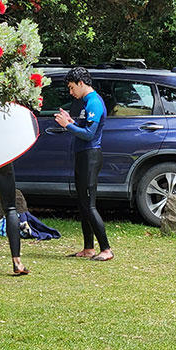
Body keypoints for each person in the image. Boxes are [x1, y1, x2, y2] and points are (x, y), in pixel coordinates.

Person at [54, 67, 113, 261]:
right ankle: (88, 247)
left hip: (91, 156)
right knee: (82, 204)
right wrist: (72, 121)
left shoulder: (94, 102)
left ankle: (106, 249)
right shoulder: (85, 102)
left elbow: (89, 135)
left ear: (81, 83)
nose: (71, 93)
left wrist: (67, 125)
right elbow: (84, 127)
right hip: (82, 155)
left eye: (72, 88)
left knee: (89, 204)